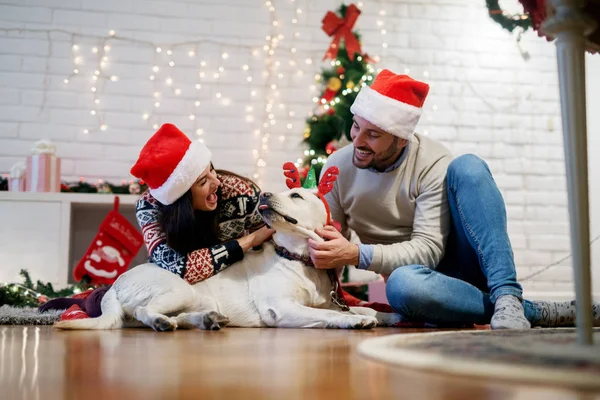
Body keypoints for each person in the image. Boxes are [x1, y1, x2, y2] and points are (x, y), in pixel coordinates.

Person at [307, 69, 599, 330]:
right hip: (417, 288)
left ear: (401, 138)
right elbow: (331, 245)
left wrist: (358, 254)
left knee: (468, 166)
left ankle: (507, 295)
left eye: (373, 135)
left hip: (460, 268)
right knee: (402, 283)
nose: (357, 141)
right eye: (356, 127)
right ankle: (532, 311)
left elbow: (428, 250)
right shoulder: (338, 167)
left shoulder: (432, 161)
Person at [130, 123, 274, 283]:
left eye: (211, 169)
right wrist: (251, 240)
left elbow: (272, 242)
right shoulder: (149, 206)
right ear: (181, 198)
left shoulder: (238, 191)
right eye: (203, 181)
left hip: (235, 284)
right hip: (171, 285)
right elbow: (179, 268)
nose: (217, 182)